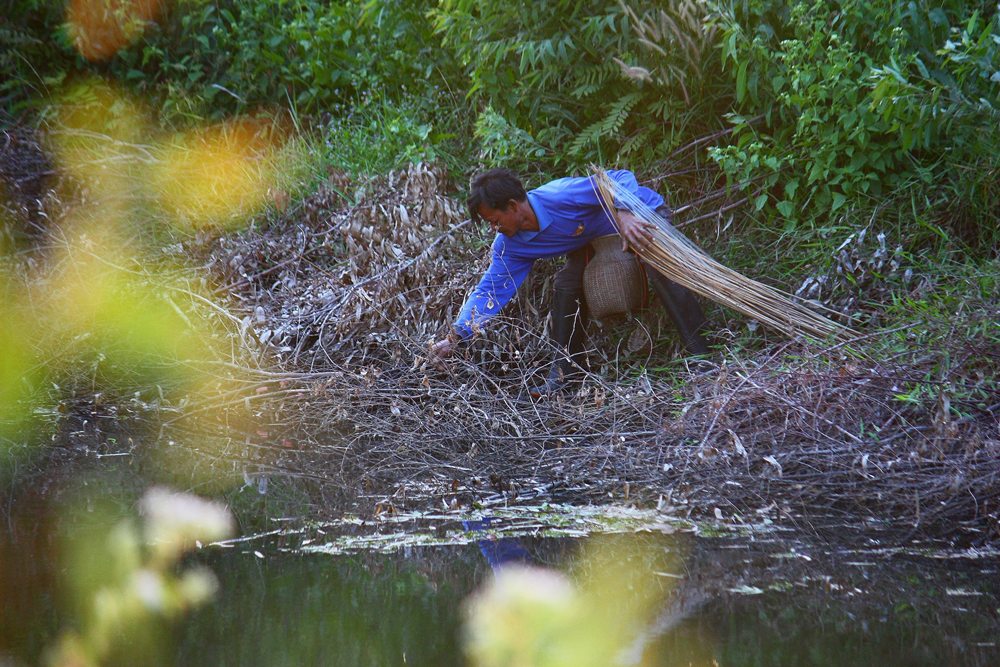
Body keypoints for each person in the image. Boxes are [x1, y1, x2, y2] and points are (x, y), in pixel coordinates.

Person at [429, 168, 709, 397]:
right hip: (591, 239)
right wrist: (456, 336)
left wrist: (625, 214)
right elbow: (490, 290)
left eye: (494, 220)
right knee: (566, 283)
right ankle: (563, 377)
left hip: (638, 216)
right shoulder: (510, 246)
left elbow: (617, 179)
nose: (493, 228)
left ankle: (702, 354)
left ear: (513, 206)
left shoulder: (560, 195)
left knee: (655, 261)